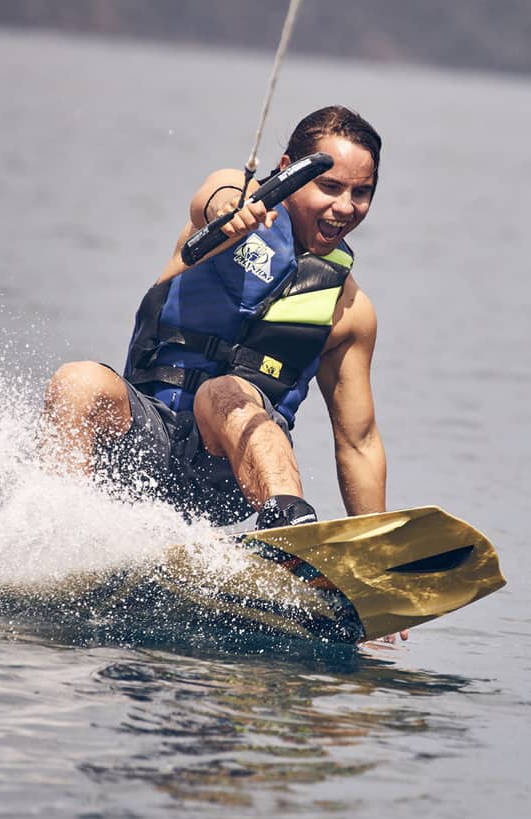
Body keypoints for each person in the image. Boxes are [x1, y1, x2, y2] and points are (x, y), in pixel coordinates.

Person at [39, 106, 386, 534]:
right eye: (329, 186)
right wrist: (231, 209)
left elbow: (358, 441)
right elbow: (213, 197)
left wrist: (375, 547)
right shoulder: (224, 218)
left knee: (224, 392)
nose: (345, 208)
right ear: (287, 170)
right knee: (78, 379)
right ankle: (53, 530)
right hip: (145, 442)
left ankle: (290, 534)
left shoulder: (350, 311)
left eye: (361, 193)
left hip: (227, 473)